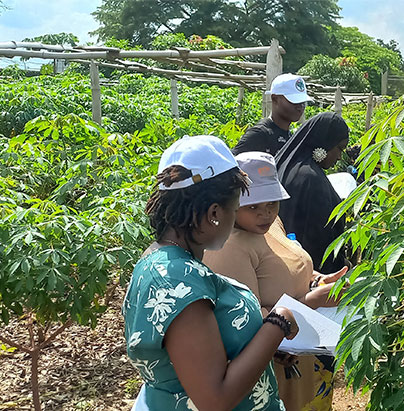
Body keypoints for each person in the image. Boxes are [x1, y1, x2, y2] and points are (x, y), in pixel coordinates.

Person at [123, 135, 299, 410]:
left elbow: (199, 352)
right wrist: (278, 323)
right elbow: (214, 399)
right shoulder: (176, 279)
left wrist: (256, 346)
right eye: (235, 209)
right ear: (215, 213)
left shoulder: (166, 259)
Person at [203, 151, 347, 411]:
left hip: (304, 352)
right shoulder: (229, 247)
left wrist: (317, 280)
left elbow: (287, 264)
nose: (265, 214)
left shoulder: (271, 226)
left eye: (272, 203)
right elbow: (243, 321)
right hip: (276, 363)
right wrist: (310, 301)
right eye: (253, 207)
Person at [275, 112, 350, 273]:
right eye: (339, 149)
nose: (339, 157)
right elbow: (317, 239)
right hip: (311, 275)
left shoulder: (292, 166)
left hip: (286, 266)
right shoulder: (310, 178)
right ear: (325, 143)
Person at [232, 73, 311, 156]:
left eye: (302, 102)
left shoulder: (290, 137)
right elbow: (232, 164)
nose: (300, 107)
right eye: (294, 101)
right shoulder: (259, 134)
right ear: (275, 99)